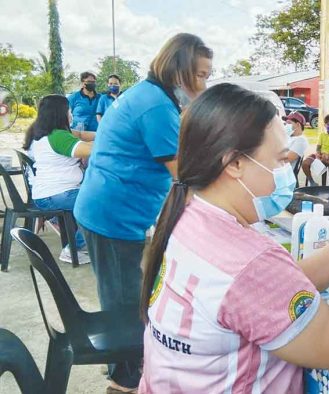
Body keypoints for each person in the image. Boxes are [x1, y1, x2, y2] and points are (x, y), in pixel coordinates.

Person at [137, 83, 329, 393]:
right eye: (280, 160)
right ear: (234, 163)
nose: (286, 172)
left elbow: (279, 287)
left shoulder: (190, 215)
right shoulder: (244, 259)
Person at [74, 33, 212, 393]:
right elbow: (184, 175)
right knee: (124, 301)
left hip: (108, 207)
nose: (204, 84)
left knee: (124, 292)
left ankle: (125, 368)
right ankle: (125, 381)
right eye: (200, 75)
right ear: (179, 72)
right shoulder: (155, 106)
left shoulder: (148, 96)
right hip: (113, 215)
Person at [22, 95, 93, 264]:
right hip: (57, 195)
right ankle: (73, 248)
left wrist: (106, 132)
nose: (71, 113)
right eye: (69, 110)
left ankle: (80, 241)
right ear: (60, 112)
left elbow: (82, 134)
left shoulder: (42, 132)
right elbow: (90, 149)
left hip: (47, 194)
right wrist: (117, 140)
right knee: (99, 204)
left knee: (94, 198)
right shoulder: (58, 136)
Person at [302, 114, 329, 186]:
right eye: (327, 124)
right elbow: (318, 147)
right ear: (324, 125)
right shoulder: (322, 135)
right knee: (305, 163)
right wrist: (318, 154)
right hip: (320, 155)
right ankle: (312, 182)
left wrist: (327, 155)